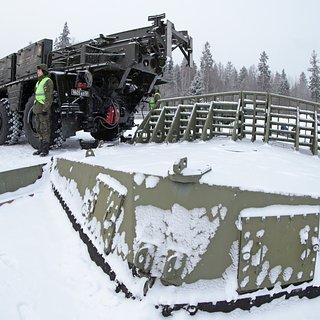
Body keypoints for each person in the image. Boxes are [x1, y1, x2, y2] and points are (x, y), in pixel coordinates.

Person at [32, 64, 54, 156]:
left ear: (44, 71)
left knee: (45, 129)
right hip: (37, 109)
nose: (37, 72)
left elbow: (49, 97)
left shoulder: (47, 81)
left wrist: (46, 108)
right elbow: (36, 96)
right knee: (39, 128)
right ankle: (40, 148)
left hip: (43, 109)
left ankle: (45, 149)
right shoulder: (38, 83)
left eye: (39, 70)